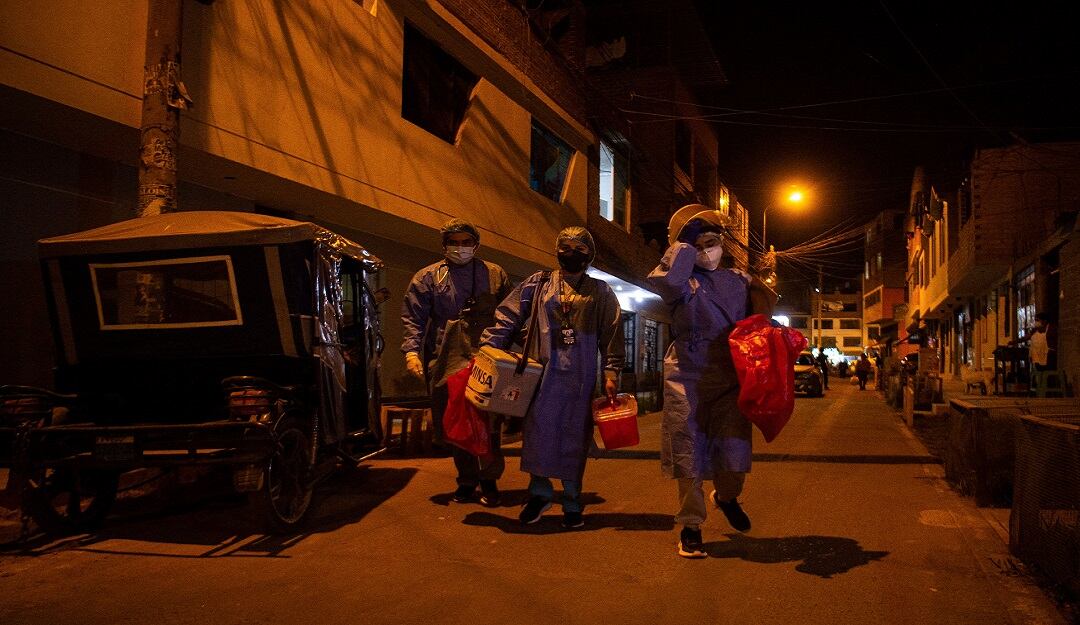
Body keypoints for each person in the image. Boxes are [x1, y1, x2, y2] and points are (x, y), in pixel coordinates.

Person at [646, 205, 776, 559]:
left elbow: (763, 315)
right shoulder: (679, 282)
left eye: (712, 242)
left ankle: (727, 496)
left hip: (732, 375)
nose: (707, 250)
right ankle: (691, 525)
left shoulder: (738, 280)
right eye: (697, 243)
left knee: (733, 452)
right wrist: (684, 245)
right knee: (689, 454)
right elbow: (666, 280)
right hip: (686, 375)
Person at [480, 227, 623, 529]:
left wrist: (611, 371)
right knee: (539, 435)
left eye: (579, 248)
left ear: (590, 253)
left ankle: (572, 500)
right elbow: (507, 316)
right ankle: (539, 495)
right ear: (557, 249)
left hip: (580, 381)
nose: (572, 253)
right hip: (541, 375)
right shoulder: (538, 283)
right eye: (566, 247)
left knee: (574, 439)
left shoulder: (600, 291)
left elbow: (612, 335)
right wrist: (488, 348)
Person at [402, 218, 512, 506]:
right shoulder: (428, 277)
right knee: (456, 421)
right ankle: (466, 480)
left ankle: (488, 480)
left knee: (488, 421)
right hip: (448, 355)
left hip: (488, 356)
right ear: (444, 245)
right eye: (454, 242)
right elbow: (414, 317)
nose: (460, 248)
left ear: (476, 245)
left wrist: (519, 352)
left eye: (466, 242)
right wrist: (411, 352)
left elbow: (511, 315)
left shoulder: (495, 274)